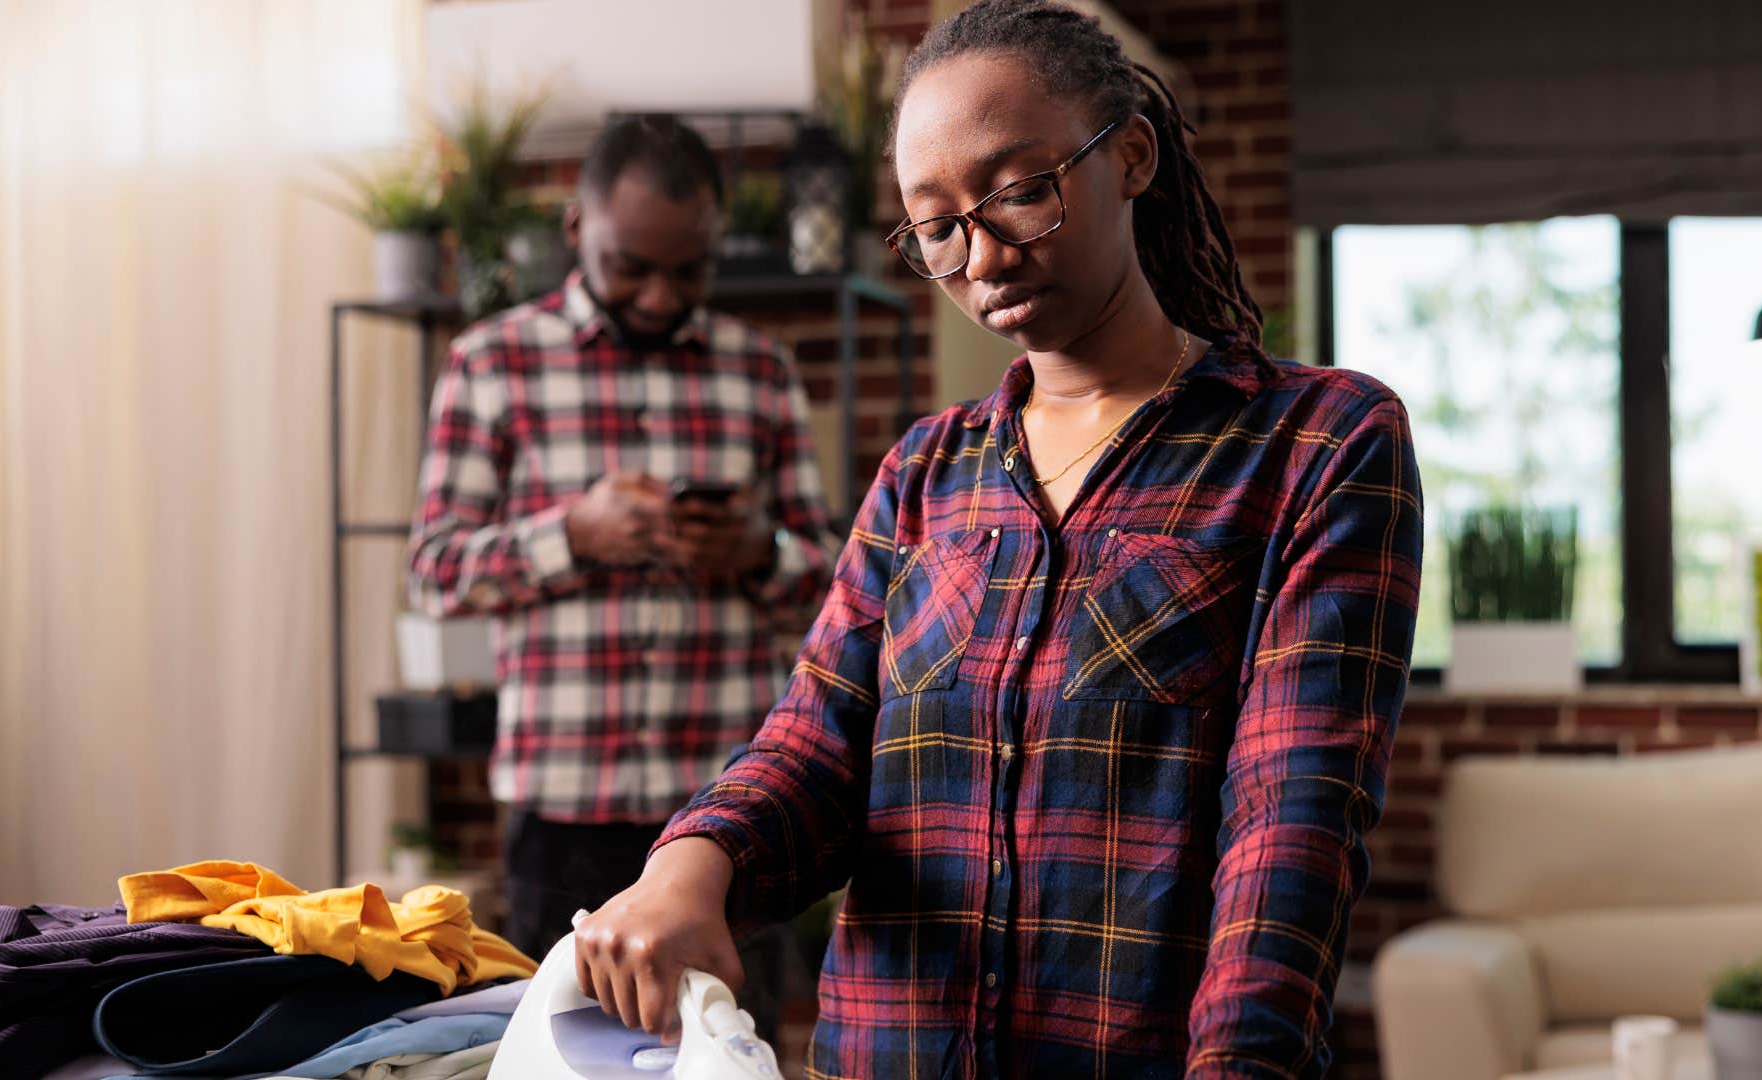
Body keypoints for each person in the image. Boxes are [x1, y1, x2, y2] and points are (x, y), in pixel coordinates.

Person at [574, 2, 1423, 1075]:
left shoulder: (1318, 444)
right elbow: (817, 741)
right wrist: (687, 869)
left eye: (1020, 192)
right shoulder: (926, 474)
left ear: (1131, 155)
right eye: (936, 224)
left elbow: (1289, 827)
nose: (980, 256)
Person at [407, 114, 839, 1042]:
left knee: (732, 1052)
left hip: (727, 809)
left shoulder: (763, 374)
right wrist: (575, 534)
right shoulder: (490, 364)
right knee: (555, 1056)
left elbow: (839, 593)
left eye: (687, 272)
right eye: (630, 265)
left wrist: (755, 553)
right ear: (575, 230)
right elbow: (437, 572)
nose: (657, 295)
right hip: (561, 807)